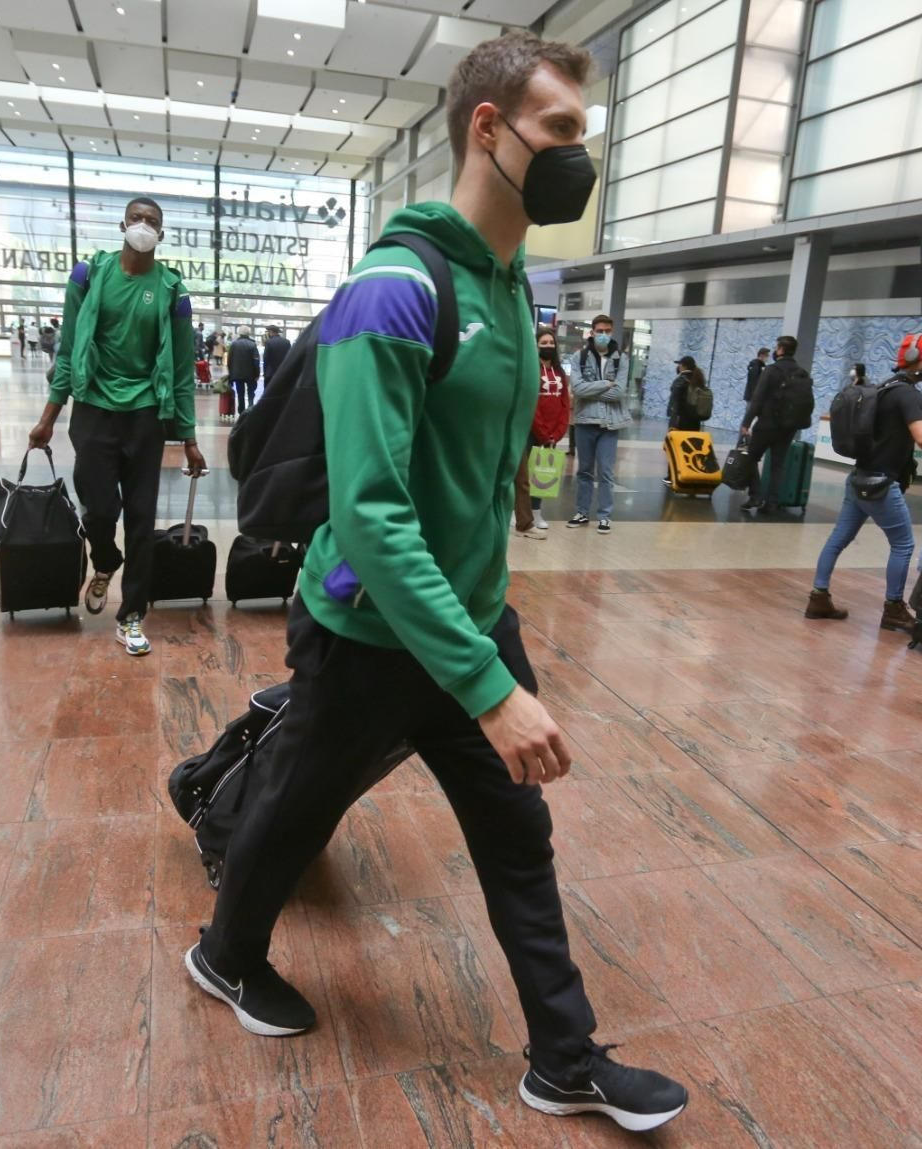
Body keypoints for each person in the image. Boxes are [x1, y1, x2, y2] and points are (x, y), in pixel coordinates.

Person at [187, 31, 688, 1134]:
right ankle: (224, 956)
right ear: (488, 128)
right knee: (293, 808)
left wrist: (483, 626)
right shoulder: (393, 288)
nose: (576, 157)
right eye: (559, 130)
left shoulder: (510, 290)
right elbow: (369, 513)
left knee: (518, 835)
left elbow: (472, 470)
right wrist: (490, 686)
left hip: (463, 620)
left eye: (580, 136)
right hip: (367, 628)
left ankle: (563, 1056)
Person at [28, 196, 205, 657]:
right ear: (122, 224)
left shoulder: (172, 291)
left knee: (142, 519)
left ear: (161, 235)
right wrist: (49, 416)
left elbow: (182, 369)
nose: (144, 225)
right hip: (93, 409)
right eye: (138, 218)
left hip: (146, 414)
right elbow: (67, 351)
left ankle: (131, 615)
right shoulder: (89, 276)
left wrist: (188, 438)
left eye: (153, 221)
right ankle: (105, 559)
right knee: (100, 507)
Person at [807, 332, 922, 631]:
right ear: (914, 360)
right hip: (881, 485)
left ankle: (818, 597)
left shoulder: (884, 389)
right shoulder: (908, 394)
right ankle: (893, 608)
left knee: (838, 539)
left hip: (859, 478)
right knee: (903, 544)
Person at [567, 314, 628, 534]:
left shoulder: (621, 358)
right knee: (584, 470)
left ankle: (604, 516)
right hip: (585, 421)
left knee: (606, 472)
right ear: (592, 332)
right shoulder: (579, 357)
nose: (604, 335)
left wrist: (592, 389)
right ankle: (582, 512)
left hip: (610, 424)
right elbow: (577, 389)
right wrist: (605, 384)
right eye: (599, 331)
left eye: (607, 331)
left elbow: (619, 393)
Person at [738, 333, 810, 515]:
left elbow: (758, 398)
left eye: (777, 348)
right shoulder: (801, 372)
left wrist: (746, 422)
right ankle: (771, 502)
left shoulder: (771, 370)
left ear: (781, 350)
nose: (775, 351)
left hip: (767, 424)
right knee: (778, 464)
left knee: (751, 458)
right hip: (788, 427)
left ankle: (755, 495)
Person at [514, 326, 572, 539]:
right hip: (531, 430)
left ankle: (536, 513)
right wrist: (542, 430)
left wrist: (557, 432)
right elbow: (532, 403)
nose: (548, 347)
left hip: (551, 433)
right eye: (543, 343)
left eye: (551, 343)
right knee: (523, 475)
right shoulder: (532, 369)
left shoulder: (560, 373)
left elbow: (565, 403)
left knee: (543, 474)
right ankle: (521, 514)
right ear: (536, 346)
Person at [666, 355, 709, 433]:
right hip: (695, 421)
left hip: (681, 421)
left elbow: (674, 403)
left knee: (678, 443)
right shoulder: (698, 379)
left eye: (680, 364)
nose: (678, 366)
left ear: (684, 366)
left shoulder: (680, 380)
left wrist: (672, 424)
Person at [227, 327, 260, 415]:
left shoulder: (234, 344)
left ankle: (241, 411)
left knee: (240, 393)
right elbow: (256, 361)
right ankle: (250, 408)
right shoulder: (253, 344)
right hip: (251, 374)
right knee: (251, 392)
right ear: (248, 333)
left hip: (237, 373)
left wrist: (230, 373)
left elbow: (229, 360)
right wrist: (257, 374)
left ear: (239, 333)